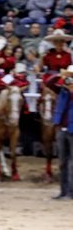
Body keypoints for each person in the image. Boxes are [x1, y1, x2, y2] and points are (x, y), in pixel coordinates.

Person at [48, 65, 73, 200]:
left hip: (71, 128)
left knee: (72, 163)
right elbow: (49, 82)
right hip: (62, 128)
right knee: (63, 161)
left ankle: (70, 192)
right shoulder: (63, 90)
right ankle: (63, 191)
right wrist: (60, 76)